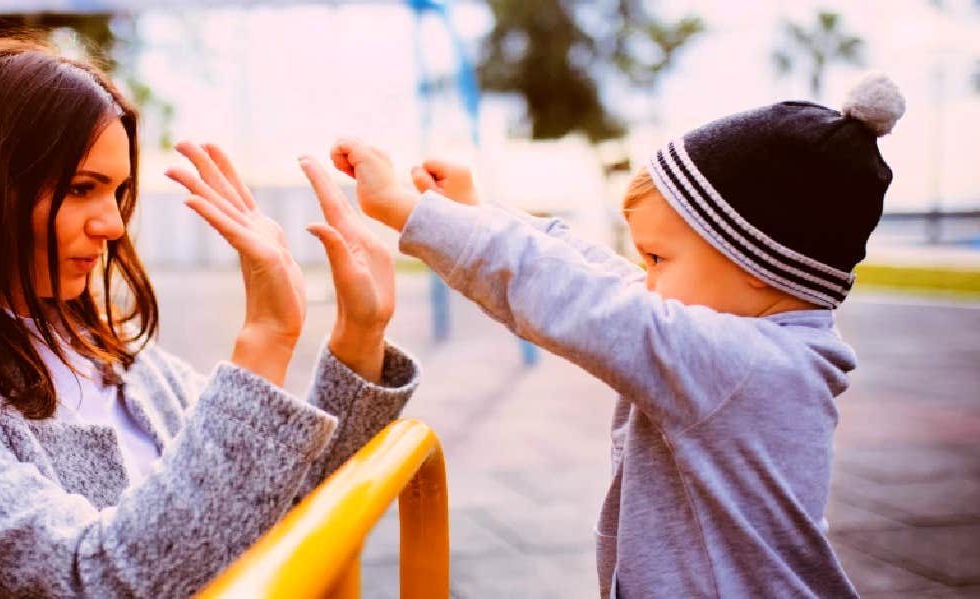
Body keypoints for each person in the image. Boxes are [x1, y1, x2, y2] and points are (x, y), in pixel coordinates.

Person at [0, 38, 419, 597]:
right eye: (81, 188)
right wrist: (266, 340)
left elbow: (278, 502)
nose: (112, 224)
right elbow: (101, 582)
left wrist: (359, 333)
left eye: (116, 192)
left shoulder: (112, 359)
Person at [330, 73, 906, 597]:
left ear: (759, 263)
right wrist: (480, 214)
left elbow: (578, 297)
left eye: (658, 257)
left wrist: (412, 214)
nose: (645, 278)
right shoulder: (757, 342)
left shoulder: (742, 363)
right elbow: (601, 274)